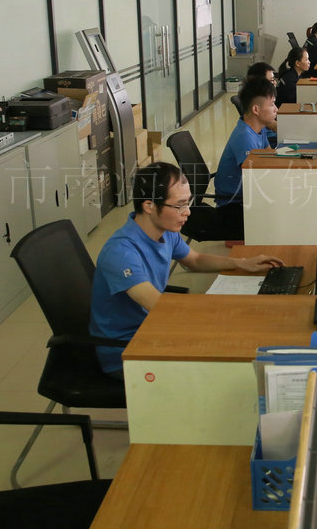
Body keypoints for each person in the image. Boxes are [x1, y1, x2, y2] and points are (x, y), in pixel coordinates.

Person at [90, 161, 283, 376]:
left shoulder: (165, 230)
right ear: (149, 206)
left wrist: (242, 263)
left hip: (155, 329)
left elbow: (195, 259)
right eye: (179, 205)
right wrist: (222, 312)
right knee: (228, 360)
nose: (188, 212)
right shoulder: (121, 253)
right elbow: (158, 306)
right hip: (127, 349)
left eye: (188, 202)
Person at [183, 77, 277, 241]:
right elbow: (256, 179)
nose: (276, 109)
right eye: (272, 104)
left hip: (245, 196)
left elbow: (270, 155)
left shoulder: (258, 129)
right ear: (256, 109)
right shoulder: (245, 137)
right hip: (234, 204)